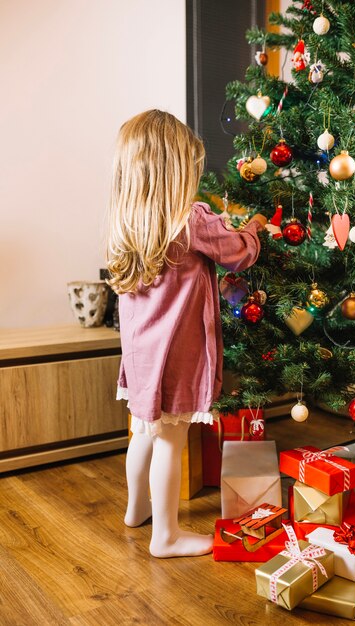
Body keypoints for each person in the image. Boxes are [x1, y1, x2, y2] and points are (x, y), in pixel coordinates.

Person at [106, 109, 267, 558]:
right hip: (175, 359)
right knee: (170, 443)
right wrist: (254, 229)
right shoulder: (190, 220)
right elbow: (237, 253)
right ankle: (166, 536)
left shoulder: (128, 224)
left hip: (140, 360)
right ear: (177, 171)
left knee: (143, 433)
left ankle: (136, 509)